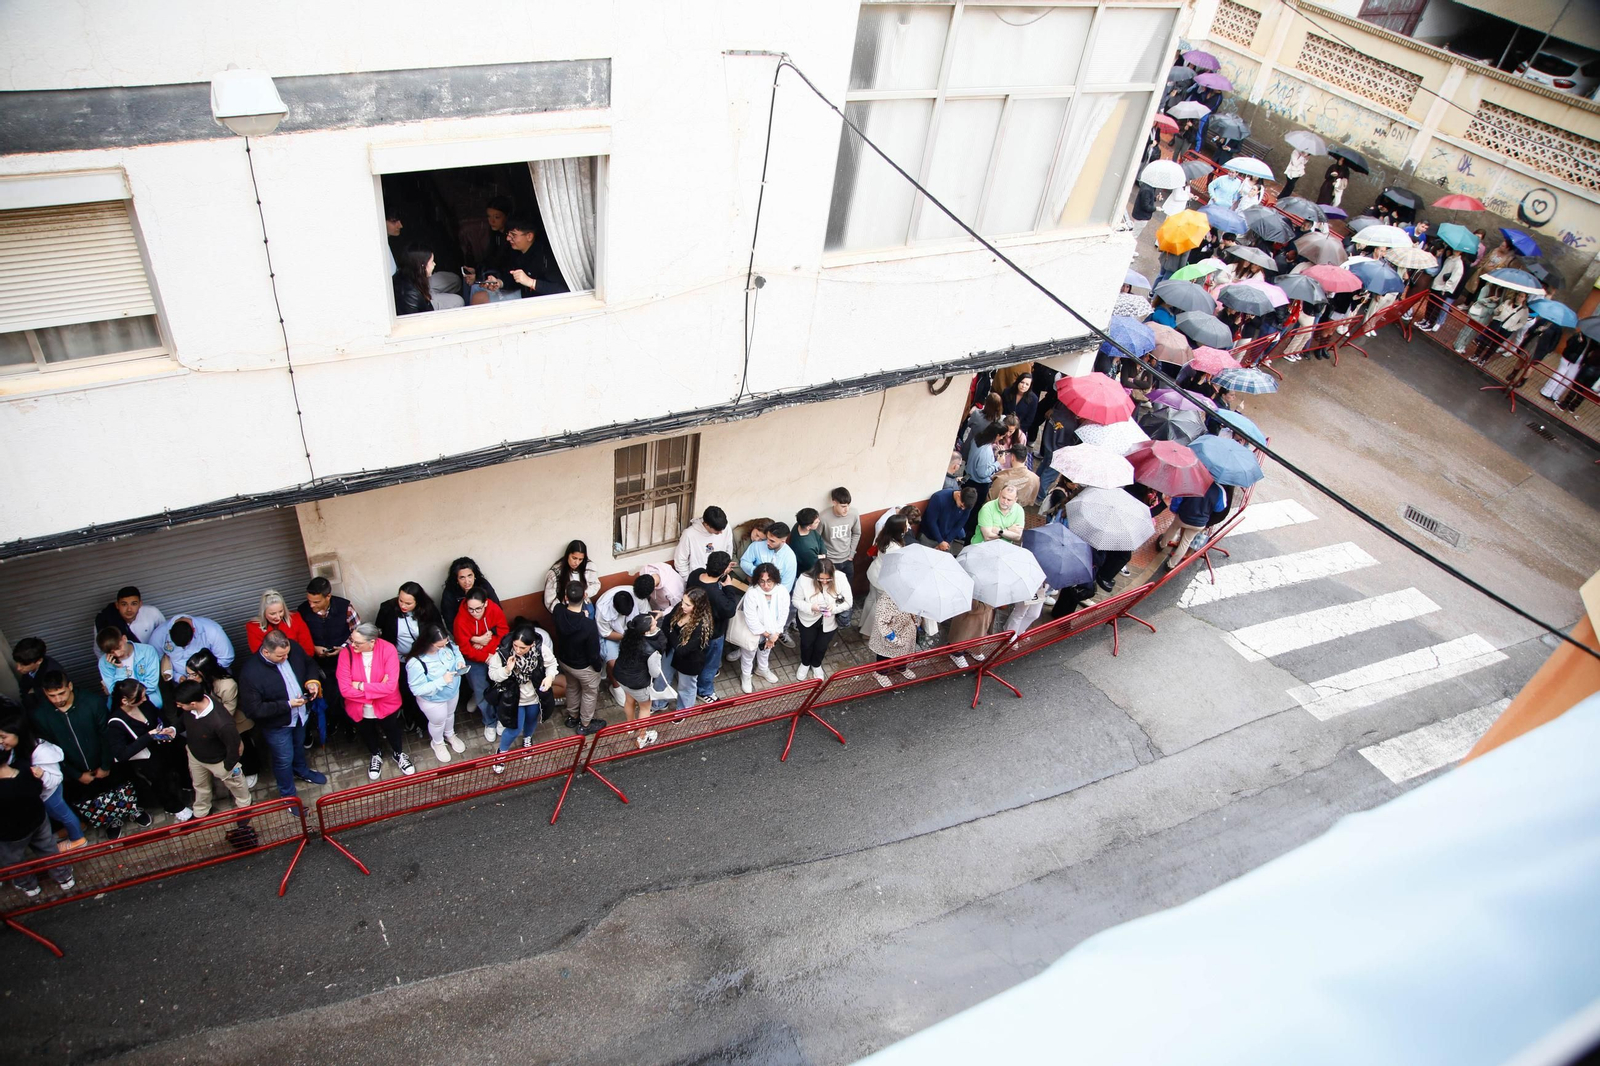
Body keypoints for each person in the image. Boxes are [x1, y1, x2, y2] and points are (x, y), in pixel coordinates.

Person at [32, 672, 147, 838]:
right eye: (52, 696)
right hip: (77, 769)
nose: (58, 699)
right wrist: (76, 774)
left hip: (106, 762)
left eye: (61, 693)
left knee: (122, 786)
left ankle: (134, 810)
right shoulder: (41, 715)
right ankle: (110, 820)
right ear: (44, 692)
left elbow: (106, 735)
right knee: (93, 798)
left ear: (70, 686)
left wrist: (105, 765)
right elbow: (50, 750)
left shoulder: (92, 702)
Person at [237, 631, 328, 797]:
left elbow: (310, 664)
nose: (286, 658)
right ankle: (288, 794)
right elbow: (253, 709)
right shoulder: (250, 673)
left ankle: (301, 771)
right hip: (277, 726)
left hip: (300, 716)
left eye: (287, 654)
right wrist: (287, 705)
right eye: (280, 656)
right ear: (266, 652)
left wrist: (312, 682)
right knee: (283, 760)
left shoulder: (293, 648)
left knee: (299, 746)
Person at [107, 679, 193, 822]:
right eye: (140, 697)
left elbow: (159, 716)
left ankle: (186, 785)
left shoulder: (144, 703)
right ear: (125, 701)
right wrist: (148, 736)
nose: (145, 699)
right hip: (147, 758)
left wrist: (166, 728)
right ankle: (174, 807)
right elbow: (121, 754)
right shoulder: (116, 723)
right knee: (160, 782)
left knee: (179, 760)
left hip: (164, 746)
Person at [0, 708, 87, 850]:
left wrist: (42, 776)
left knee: (63, 814)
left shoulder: (41, 751)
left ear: (18, 733)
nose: (1, 741)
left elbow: (56, 778)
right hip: (41, 795)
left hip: (50, 793)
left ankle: (78, 839)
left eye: (4, 737)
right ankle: (76, 828)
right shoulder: (17, 749)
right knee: (60, 815)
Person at [337, 623, 413, 781]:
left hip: (386, 705)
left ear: (372, 641)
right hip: (359, 707)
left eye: (358, 643)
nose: (352, 645)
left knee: (392, 729)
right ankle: (375, 754)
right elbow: (345, 690)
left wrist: (360, 686)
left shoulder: (388, 649)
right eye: (352, 640)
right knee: (367, 732)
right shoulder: (346, 654)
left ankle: (398, 753)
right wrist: (378, 690)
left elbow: (390, 686)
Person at [171, 680, 251, 819]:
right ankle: (202, 811)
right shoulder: (193, 706)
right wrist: (173, 729)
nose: (179, 706)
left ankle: (245, 806)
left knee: (236, 785)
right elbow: (183, 720)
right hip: (196, 756)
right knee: (200, 786)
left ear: (193, 704)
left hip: (219, 761)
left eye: (181, 704)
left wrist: (228, 766)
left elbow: (234, 746)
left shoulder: (222, 723)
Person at [0, 756, 74, 898]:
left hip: (10, 835)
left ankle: (29, 886)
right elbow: (38, 788)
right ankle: (64, 877)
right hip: (38, 819)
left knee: (14, 862)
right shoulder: (24, 767)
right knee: (49, 849)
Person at [183, 647, 259, 783]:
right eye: (188, 674)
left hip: (234, 722)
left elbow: (227, 713)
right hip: (212, 721)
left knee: (241, 746)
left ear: (204, 673)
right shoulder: (200, 683)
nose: (190, 678)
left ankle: (251, 770)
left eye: (193, 675)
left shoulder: (227, 685)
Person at [297, 577, 360, 738]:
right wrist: (313, 648)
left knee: (347, 694)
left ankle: (351, 724)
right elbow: (299, 638)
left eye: (316, 602)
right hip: (319, 664)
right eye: (309, 601)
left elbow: (358, 632)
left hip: (345, 661)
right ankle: (334, 721)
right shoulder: (302, 611)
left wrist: (343, 648)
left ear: (328, 596)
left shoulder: (345, 607)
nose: (311, 605)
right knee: (328, 695)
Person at [487, 623, 557, 760]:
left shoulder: (541, 650)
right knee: (514, 729)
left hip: (534, 696)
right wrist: (507, 669)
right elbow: (493, 675)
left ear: (532, 644)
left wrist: (549, 677)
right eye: (515, 646)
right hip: (514, 698)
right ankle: (501, 752)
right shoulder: (503, 652)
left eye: (522, 648)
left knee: (531, 720)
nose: (518, 650)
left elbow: (552, 664)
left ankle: (527, 738)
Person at [452, 586, 509, 744]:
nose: (474, 613)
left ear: (486, 604)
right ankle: (489, 722)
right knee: (480, 691)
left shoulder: (494, 609)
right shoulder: (460, 620)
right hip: (475, 658)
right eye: (470, 609)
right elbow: (464, 648)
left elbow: (503, 632)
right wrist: (484, 655)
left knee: (501, 687)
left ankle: (501, 718)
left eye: (478, 609)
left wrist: (488, 646)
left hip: (494, 653)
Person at [683, 551, 740, 704]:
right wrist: (729, 587)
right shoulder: (716, 594)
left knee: (697, 657)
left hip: (693, 626)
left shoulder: (695, 575)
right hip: (713, 633)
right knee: (710, 663)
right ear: (723, 570)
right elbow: (730, 610)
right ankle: (705, 690)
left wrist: (722, 573)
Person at [405, 625, 468, 763]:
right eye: (439, 646)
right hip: (433, 699)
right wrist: (442, 681)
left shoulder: (447, 645)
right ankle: (437, 742)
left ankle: (450, 734)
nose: (444, 647)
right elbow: (417, 689)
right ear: (428, 643)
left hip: (452, 691)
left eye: (445, 643)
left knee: (450, 714)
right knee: (438, 722)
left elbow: (456, 651)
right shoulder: (416, 662)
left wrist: (459, 662)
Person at [552, 581, 608, 734]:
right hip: (584, 667)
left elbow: (562, 609)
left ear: (565, 597)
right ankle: (585, 724)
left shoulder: (558, 611)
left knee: (572, 687)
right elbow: (593, 652)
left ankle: (572, 717)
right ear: (585, 596)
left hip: (565, 660)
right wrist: (597, 668)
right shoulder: (588, 625)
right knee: (589, 693)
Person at [733, 563, 789, 693]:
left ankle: (762, 669)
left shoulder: (782, 591)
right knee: (748, 654)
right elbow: (750, 617)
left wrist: (775, 633)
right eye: (762, 581)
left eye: (769, 581)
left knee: (766, 651)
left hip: (772, 631)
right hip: (754, 631)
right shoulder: (752, 592)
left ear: (775, 579)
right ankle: (746, 675)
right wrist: (768, 635)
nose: (766, 585)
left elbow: (784, 613)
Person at [793, 559, 852, 681]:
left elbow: (848, 602)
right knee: (806, 644)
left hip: (830, 620)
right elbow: (796, 601)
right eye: (821, 579)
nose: (824, 582)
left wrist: (834, 608)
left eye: (828, 579)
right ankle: (805, 663)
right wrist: (811, 607)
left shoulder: (841, 577)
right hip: (807, 619)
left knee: (821, 646)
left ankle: (816, 664)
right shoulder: (804, 579)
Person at [486, 218, 569, 299]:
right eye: (508, 234)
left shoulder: (546, 257)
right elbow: (515, 279)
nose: (508, 238)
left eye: (513, 235)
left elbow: (562, 289)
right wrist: (499, 282)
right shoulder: (516, 252)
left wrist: (531, 282)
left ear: (529, 236)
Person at [597, 581, 650, 706]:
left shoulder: (638, 597)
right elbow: (606, 633)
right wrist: (627, 637)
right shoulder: (602, 610)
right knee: (614, 663)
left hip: (636, 632)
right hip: (613, 635)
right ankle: (616, 687)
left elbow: (647, 616)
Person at [663, 590, 717, 710]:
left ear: (697, 607)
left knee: (686, 687)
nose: (682, 606)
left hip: (689, 661)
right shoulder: (681, 607)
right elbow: (666, 622)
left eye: (687, 604)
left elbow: (683, 651)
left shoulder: (701, 626)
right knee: (662, 678)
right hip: (672, 650)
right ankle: (658, 704)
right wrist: (676, 640)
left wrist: (671, 633)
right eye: (683, 601)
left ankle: (684, 711)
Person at [613, 615, 670, 723]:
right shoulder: (651, 650)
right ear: (646, 632)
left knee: (629, 701)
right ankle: (642, 733)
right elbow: (655, 673)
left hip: (621, 677)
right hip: (638, 684)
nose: (656, 623)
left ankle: (630, 725)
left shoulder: (628, 637)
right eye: (653, 624)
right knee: (645, 708)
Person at [97, 628, 170, 710]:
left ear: (124, 639)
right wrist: (120, 670)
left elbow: (151, 684)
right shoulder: (104, 662)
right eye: (112, 652)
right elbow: (113, 691)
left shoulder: (147, 651)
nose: (117, 654)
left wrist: (131, 694)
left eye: (118, 647)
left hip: (148, 698)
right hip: (122, 704)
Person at [148, 613, 234, 680]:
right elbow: (155, 664)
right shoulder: (159, 635)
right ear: (170, 632)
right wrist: (177, 677)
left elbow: (226, 658)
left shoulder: (212, 630)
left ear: (194, 630)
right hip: (181, 682)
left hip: (212, 677)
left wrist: (205, 675)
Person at [1165, 482, 1227, 567]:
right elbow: (1219, 509)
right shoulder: (1220, 491)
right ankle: (1171, 565)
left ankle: (1162, 544)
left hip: (1183, 516)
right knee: (1185, 542)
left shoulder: (1192, 481)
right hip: (1200, 523)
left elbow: (1178, 497)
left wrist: (1174, 509)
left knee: (1173, 528)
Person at [866, 587, 918, 687]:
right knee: (884, 655)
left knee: (903, 653)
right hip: (890, 635)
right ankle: (880, 673)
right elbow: (881, 622)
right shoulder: (887, 600)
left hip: (906, 633)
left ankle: (900, 667)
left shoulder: (911, 596)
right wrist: (893, 638)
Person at [246, 590, 315, 656]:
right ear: (263, 612)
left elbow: (308, 649)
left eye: (281, 611)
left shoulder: (295, 618)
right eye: (272, 613)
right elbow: (260, 655)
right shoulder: (253, 627)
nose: (278, 617)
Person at [92, 586, 165, 647]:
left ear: (140, 604)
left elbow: (166, 635)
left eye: (134, 604)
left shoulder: (152, 613)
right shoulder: (105, 619)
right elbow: (100, 648)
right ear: (117, 605)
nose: (129, 609)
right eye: (124, 604)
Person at [439, 557, 500, 629]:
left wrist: (492, 631)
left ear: (475, 575)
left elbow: (497, 609)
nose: (467, 581)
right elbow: (450, 621)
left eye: (469, 576)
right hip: (463, 630)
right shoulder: (450, 592)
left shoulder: (483, 585)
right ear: (456, 579)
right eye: (462, 577)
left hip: (488, 626)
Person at [543, 540, 601, 612]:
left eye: (580, 559)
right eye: (574, 558)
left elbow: (595, 585)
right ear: (568, 555)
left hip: (584, 605)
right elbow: (549, 601)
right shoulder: (555, 573)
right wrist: (564, 611)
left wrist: (585, 593)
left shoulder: (588, 566)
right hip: (565, 609)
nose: (577, 563)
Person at [741, 520, 798, 592]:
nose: (767, 542)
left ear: (783, 541)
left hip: (776, 594)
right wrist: (756, 572)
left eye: (772, 541)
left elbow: (786, 586)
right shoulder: (757, 545)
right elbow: (744, 562)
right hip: (754, 589)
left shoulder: (790, 558)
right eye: (767, 538)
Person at [11, 638, 65, 712]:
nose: (18, 668)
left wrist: (34, 692)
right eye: (17, 663)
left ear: (39, 661)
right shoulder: (29, 669)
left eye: (23, 664)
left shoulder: (53, 673)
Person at [1420, 247, 1466, 331]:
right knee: (1431, 304)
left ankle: (1430, 323)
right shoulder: (1449, 259)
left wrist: (1445, 289)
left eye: (1459, 250)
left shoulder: (1458, 264)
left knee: (1436, 307)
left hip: (1443, 288)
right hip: (1437, 284)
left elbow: (1454, 279)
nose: (1456, 251)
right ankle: (1426, 319)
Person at [921, 486, 977, 552]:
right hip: (928, 538)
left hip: (946, 540)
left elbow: (959, 525)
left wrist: (947, 541)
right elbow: (931, 521)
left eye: (965, 508)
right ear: (959, 495)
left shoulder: (967, 505)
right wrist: (940, 541)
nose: (962, 509)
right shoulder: (939, 498)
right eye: (961, 505)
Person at [394, 249, 440, 315]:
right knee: (455, 301)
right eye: (432, 261)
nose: (434, 264)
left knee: (454, 279)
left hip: (422, 290)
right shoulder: (410, 297)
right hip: (425, 304)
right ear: (422, 266)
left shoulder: (408, 273)